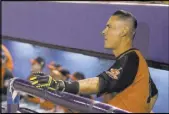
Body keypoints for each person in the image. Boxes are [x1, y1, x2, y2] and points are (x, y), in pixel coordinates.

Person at [29, 10, 158, 113]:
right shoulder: (137, 61)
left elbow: (99, 83)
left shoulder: (131, 58)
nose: (104, 32)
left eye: (109, 27)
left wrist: (59, 85)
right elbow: (153, 94)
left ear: (124, 31)